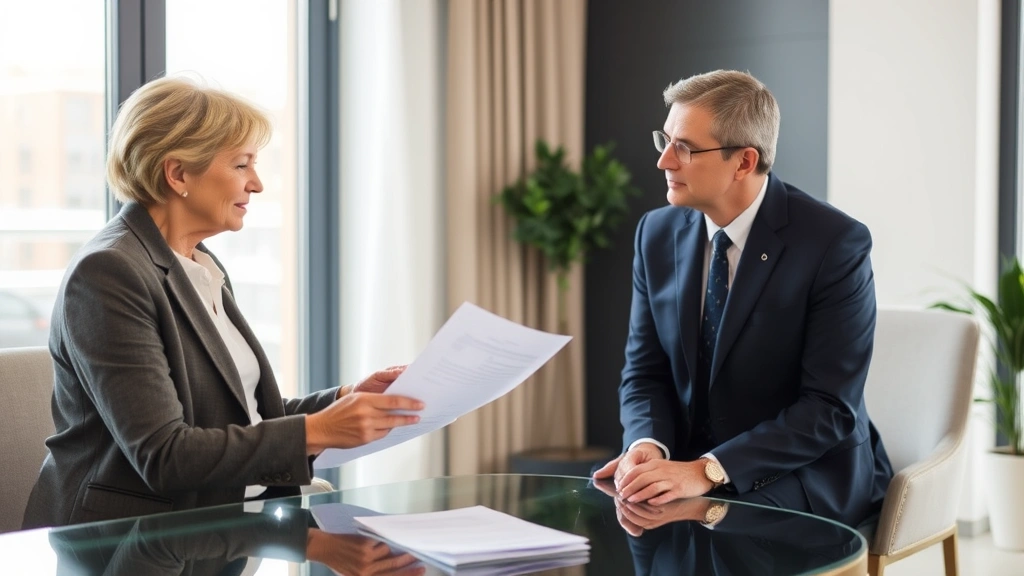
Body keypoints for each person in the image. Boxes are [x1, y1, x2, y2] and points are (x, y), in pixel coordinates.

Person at [22, 76, 424, 529]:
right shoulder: (108, 274)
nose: (257, 184)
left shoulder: (200, 264)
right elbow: (165, 455)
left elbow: (236, 417)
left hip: (221, 527)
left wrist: (344, 399)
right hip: (122, 539)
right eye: (241, 165)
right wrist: (321, 431)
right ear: (178, 174)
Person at [593, 70, 892, 528]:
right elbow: (644, 372)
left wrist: (706, 471)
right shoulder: (655, 234)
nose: (664, 162)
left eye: (685, 148)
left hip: (803, 472)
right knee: (633, 514)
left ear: (744, 162)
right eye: (665, 140)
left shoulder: (835, 244)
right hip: (687, 465)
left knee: (727, 533)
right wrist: (647, 449)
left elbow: (827, 409)